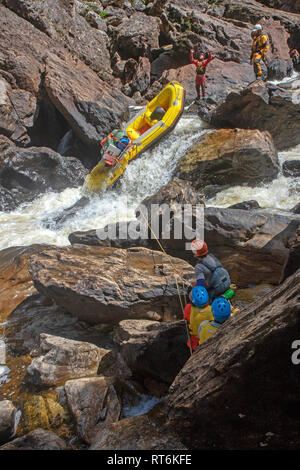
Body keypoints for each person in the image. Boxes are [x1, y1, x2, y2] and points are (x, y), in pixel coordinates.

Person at [184, 286, 214, 351]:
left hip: (194, 342)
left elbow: (186, 318)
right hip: (208, 338)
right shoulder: (212, 309)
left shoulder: (188, 308)